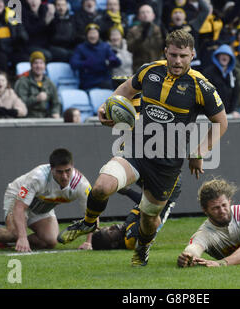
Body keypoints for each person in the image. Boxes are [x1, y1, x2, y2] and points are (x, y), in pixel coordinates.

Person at [57, 29, 228, 267]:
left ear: (192, 55)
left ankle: (143, 247)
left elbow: (221, 122)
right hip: (138, 149)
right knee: (101, 186)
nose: (177, 61)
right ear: (165, 52)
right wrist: (107, 107)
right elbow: (126, 90)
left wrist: (199, 153)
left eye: (183, 56)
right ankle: (88, 221)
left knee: (149, 221)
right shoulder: (149, 70)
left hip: (167, 165)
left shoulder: (202, 87)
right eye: (174, 55)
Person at [0, 148, 92, 253]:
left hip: (42, 207)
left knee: (51, 241)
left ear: (72, 167)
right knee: (15, 233)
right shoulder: (38, 177)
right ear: (51, 169)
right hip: (17, 197)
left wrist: (88, 242)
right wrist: (22, 237)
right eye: (60, 172)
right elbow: (19, 207)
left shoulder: (81, 184)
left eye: (68, 171)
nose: (65, 176)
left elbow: (92, 214)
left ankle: (2, 241)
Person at [79, 178, 182, 250]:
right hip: (167, 193)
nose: (114, 226)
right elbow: (148, 205)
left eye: (109, 227)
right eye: (110, 232)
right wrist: (127, 191)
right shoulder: (131, 238)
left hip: (157, 191)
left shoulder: (126, 228)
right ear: (114, 244)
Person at [70, 23, 121, 90]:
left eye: (95, 33)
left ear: (98, 35)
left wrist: (113, 60)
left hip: (104, 79)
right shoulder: (81, 48)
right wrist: (85, 63)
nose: (93, 36)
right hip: (88, 81)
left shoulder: (105, 46)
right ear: (86, 35)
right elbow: (73, 63)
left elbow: (118, 63)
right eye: (90, 33)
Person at [14, 51, 62, 118]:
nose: (38, 66)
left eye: (41, 63)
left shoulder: (49, 83)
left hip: (45, 117)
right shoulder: (23, 82)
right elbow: (19, 104)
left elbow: (56, 103)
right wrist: (36, 99)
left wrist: (55, 112)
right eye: (35, 63)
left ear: (44, 66)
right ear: (31, 65)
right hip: (27, 118)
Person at [202, 44, 240, 116]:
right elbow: (205, 95)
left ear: (230, 58)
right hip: (212, 114)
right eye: (222, 54)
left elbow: (236, 94)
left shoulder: (234, 73)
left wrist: (234, 110)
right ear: (218, 56)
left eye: (227, 55)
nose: (225, 56)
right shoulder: (208, 72)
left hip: (229, 114)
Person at [126, 4, 164, 73]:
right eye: (142, 12)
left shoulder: (159, 30)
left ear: (153, 16)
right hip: (139, 68)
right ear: (139, 16)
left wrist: (165, 37)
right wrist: (141, 38)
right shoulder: (133, 31)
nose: (145, 14)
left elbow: (165, 48)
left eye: (148, 12)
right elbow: (129, 48)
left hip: (157, 67)